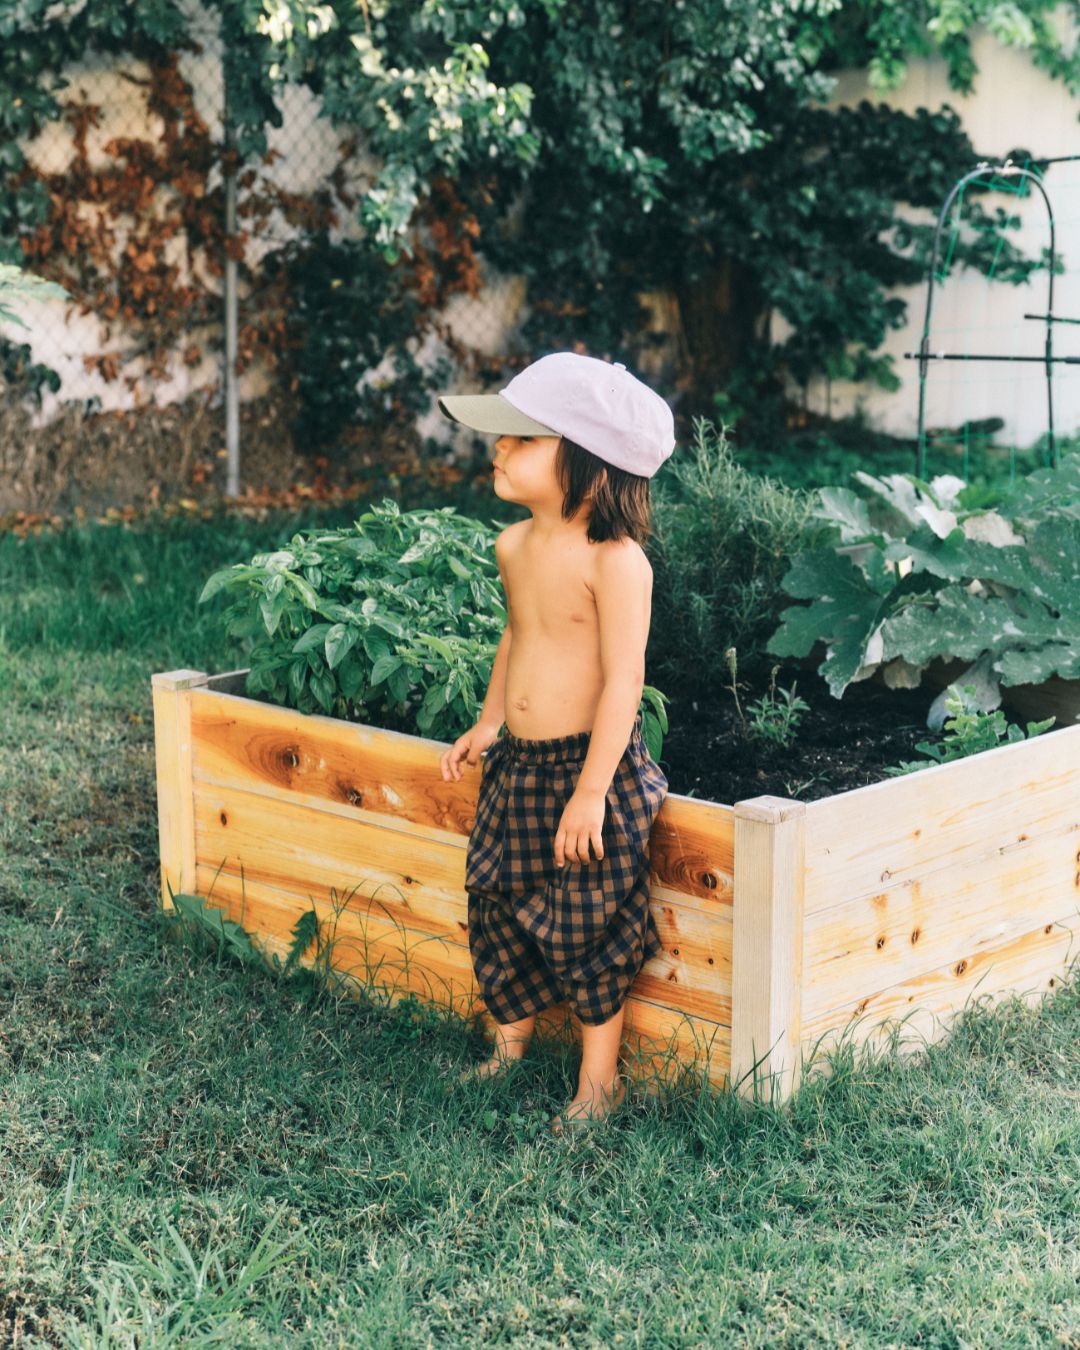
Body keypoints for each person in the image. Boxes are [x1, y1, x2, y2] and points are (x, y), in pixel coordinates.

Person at [436, 350, 675, 1134]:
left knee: (590, 923)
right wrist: (489, 721)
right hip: (521, 769)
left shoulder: (617, 563)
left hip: (587, 770)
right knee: (498, 902)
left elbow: (623, 681)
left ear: (589, 463)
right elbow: (519, 637)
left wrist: (592, 792)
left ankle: (597, 1083)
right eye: (501, 437)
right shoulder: (515, 545)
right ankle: (507, 1050)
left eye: (522, 439)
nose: (498, 450)